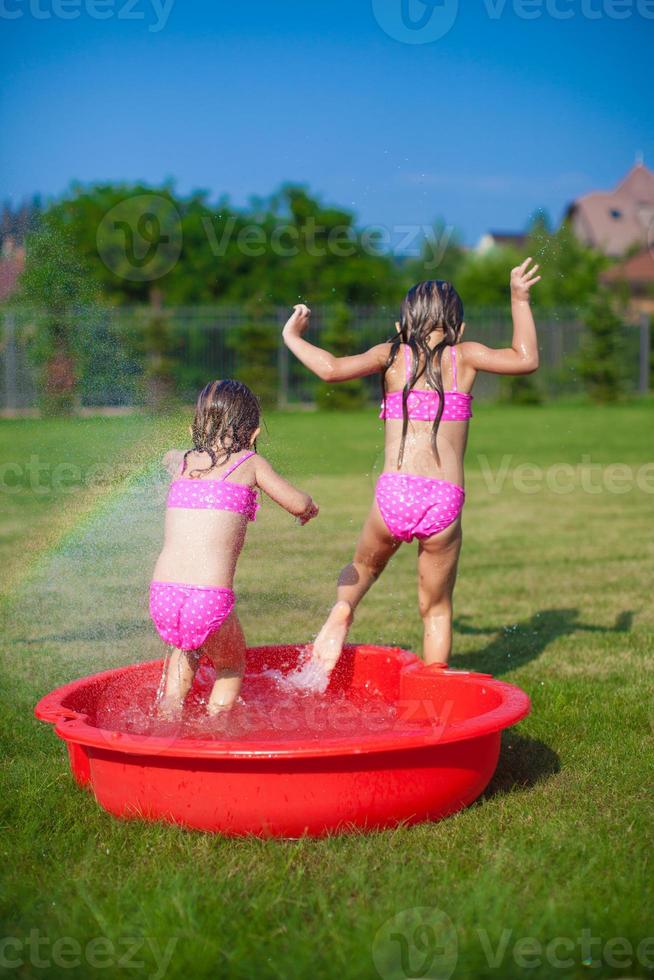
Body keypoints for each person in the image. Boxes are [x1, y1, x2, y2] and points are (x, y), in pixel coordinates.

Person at [282, 259, 540, 674]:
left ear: (406, 320)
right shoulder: (466, 357)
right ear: (459, 325)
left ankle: (344, 609)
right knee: (436, 608)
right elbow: (525, 359)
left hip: (395, 493)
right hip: (443, 501)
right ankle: (435, 687)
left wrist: (292, 336)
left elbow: (329, 369)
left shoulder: (391, 355)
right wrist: (519, 298)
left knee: (363, 568)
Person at [150, 379, 318, 716]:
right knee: (230, 666)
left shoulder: (182, 461)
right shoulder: (249, 464)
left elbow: (168, 457)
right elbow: (297, 503)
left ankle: (168, 716)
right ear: (253, 434)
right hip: (208, 598)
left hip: (162, 594)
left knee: (187, 650)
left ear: (193, 427)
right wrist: (309, 508)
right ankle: (215, 731)